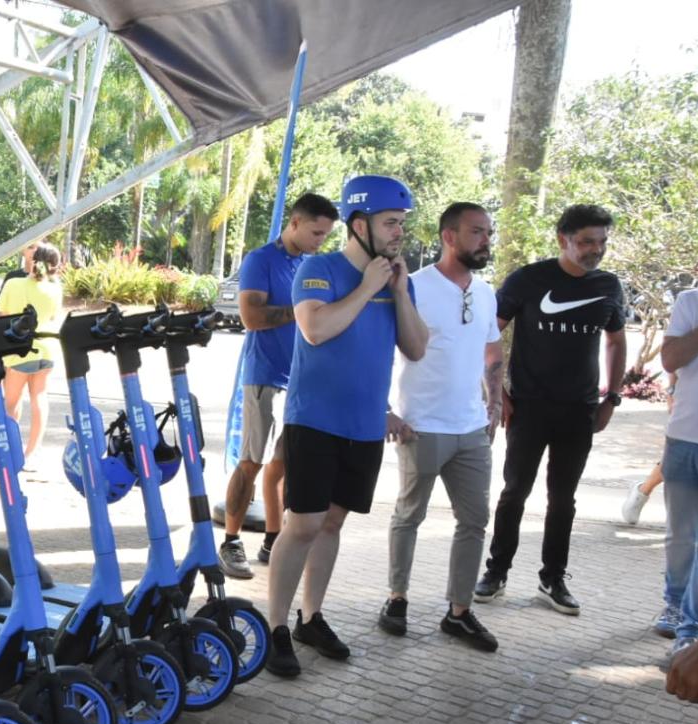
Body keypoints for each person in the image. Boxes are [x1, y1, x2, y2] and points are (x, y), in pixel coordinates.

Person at [264, 175, 428, 678]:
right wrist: (369, 287)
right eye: (390, 223)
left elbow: (417, 347)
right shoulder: (319, 267)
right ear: (360, 225)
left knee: (333, 522)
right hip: (314, 419)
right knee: (305, 523)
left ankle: (311, 617)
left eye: (401, 223)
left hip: (363, 425)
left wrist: (398, 292)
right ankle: (275, 629)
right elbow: (314, 330)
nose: (399, 232)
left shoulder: (401, 279)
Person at [474, 205, 627, 616]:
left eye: (601, 242)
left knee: (564, 498)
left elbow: (615, 341)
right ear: (563, 239)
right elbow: (489, 333)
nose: (595, 250)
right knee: (514, 492)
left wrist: (612, 396)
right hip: (529, 407)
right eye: (586, 242)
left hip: (579, 410)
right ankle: (496, 571)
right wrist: (496, 391)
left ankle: (552, 578)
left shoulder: (609, 286)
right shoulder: (529, 279)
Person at [377, 202, 502, 652]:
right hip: (420, 426)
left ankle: (460, 612)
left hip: (471, 430)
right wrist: (384, 410)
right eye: (476, 232)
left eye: (488, 232)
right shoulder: (412, 286)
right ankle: (396, 599)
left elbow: (493, 351)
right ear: (449, 236)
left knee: (474, 522)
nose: (486, 240)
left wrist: (494, 402)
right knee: (409, 516)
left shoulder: (487, 292)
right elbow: (377, 351)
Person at [218, 193, 339, 579]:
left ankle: (273, 539)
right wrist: (302, 311)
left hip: (301, 381)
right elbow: (251, 317)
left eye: (326, 235)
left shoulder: (311, 264)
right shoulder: (261, 260)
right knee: (251, 462)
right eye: (316, 232)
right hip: (265, 376)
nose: (320, 240)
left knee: (283, 467)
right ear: (295, 223)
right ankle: (231, 541)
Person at [656, 231, 698, 661]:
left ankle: (694, 627)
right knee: (681, 535)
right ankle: (674, 603)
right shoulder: (691, 303)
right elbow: (670, 360)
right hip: (685, 438)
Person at [0, 242, 65, 466]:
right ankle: (31, 453)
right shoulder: (56, 289)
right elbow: (54, 317)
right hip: (46, 349)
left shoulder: (13, 284)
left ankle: (8, 451)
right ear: (55, 266)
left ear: (33, 261)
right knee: (39, 397)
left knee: (11, 404)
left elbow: (2, 315)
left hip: (17, 349)